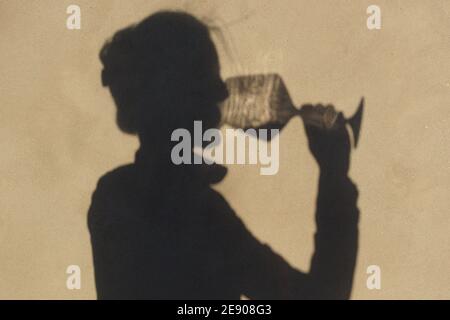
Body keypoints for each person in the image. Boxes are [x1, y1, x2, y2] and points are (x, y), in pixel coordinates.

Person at [88, 11, 359, 300]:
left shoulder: (116, 195)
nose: (221, 90)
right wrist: (333, 176)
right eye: (207, 77)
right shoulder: (194, 209)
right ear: (174, 94)